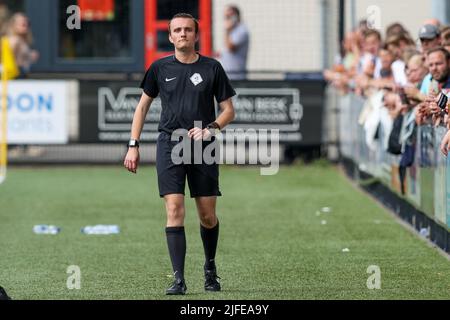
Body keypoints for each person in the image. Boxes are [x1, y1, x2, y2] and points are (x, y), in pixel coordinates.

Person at [123, 13, 236, 295]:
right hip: (170, 144)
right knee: (174, 210)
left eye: (188, 29)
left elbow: (229, 111)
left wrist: (211, 128)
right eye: (177, 30)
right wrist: (133, 145)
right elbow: (142, 108)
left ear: (196, 35)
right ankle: (178, 279)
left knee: (207, 215)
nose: (183, 33)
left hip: (203, 147)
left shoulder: (213, 68)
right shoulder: (159, 68)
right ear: (171, 36)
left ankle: (210, 268)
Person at [220, 5, 249, 80]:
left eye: (229, 16)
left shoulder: (242, 30)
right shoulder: (232, 30)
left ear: (235, 16)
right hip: (228, 74)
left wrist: (227, 31)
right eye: (225, 17)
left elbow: (231, 47)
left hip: (236, 75)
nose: (226, 19)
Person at [6, 12, 39, 78]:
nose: (25, 24)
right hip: (16, 74)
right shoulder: (14, 40)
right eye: (22, 23)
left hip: (22, 73)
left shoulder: (22, 40)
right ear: (13, 25)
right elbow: (8, 58)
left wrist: (30, 56)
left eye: (26, 22)